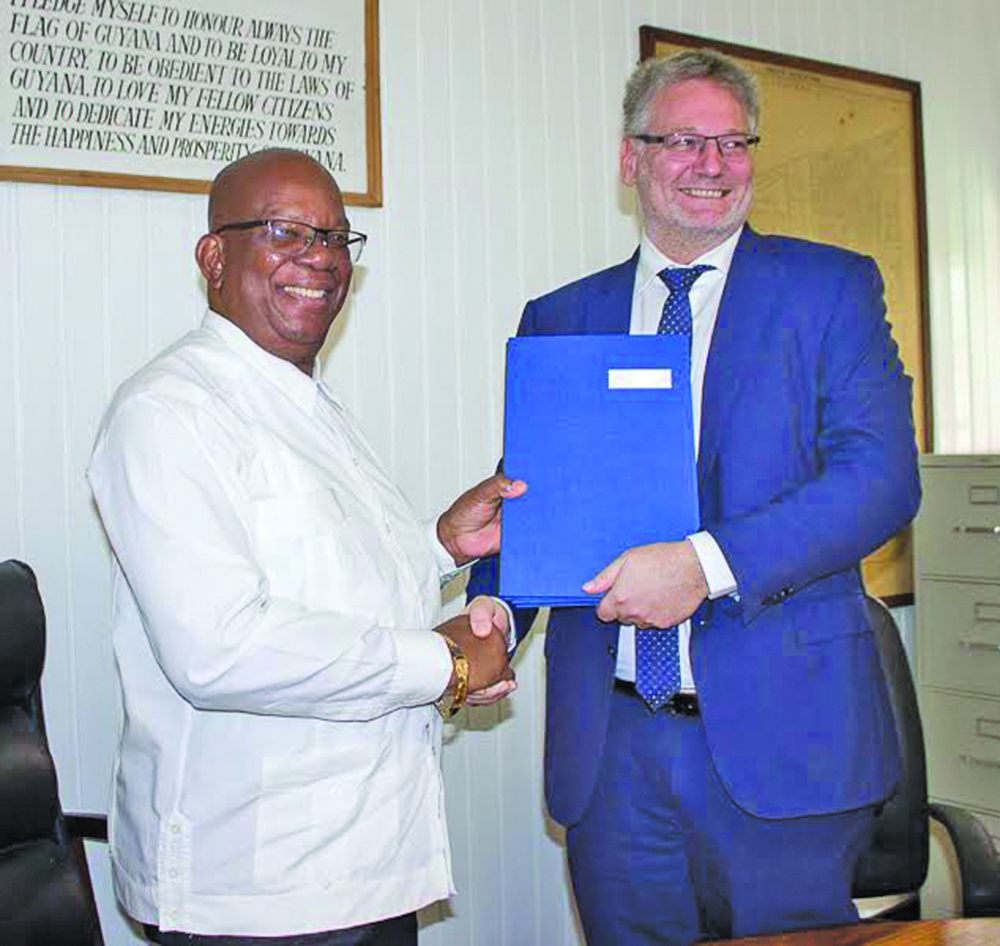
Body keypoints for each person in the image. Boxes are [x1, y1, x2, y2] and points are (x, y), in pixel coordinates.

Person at [468, 49, 921, 944]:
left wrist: (703, 566)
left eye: (733, 142)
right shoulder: (562, 316)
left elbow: (879, 481)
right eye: (682, 140)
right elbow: (536, 500)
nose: (712, 164)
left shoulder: (829, 289)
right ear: (630, 158)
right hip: (613, 751)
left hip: (785, 738)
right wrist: (492, 616)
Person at [88, 148, 522, 946]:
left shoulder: (304, 401)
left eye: (334, 237)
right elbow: (220, 648)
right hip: (258, 892)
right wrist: (444, 662)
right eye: (284, 232)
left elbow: (321, 578)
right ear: (214, 257)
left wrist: (438, 546)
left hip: (363, 870)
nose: (319, 257)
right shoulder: (169, 412)